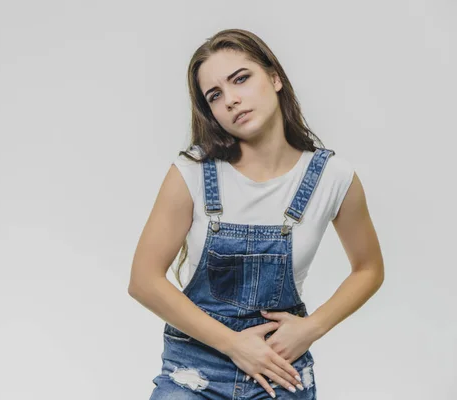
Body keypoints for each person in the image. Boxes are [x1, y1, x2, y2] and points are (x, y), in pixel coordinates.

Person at [128, 28, 384, 399]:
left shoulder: (333, 177)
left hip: (279, 367)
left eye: (241, 79)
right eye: (215, 95)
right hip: (194, 369)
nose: (231, 100)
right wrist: (233, 344)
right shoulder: (192, 173)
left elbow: (369, 268)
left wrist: (311, 328)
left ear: (275, 77)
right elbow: (143, 280)